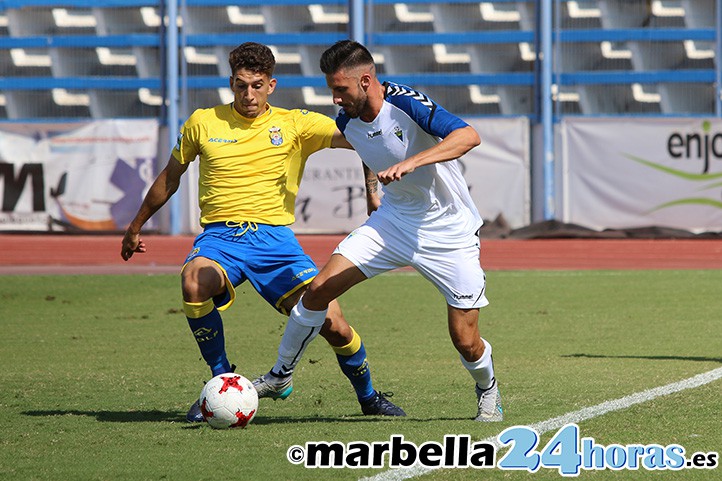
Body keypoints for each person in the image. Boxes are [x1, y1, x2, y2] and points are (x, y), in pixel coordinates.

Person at [120, 42, 404, 421]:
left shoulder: (296, 124)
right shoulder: (202, 122)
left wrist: (372, 193)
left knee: (334, 325)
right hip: (220, 239)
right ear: (231, 84)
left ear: (271, 85)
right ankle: (223, 382)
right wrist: (136, 225)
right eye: (240, 85)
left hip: (276, 243)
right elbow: (170, 179)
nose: (248, 94)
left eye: (256, 85)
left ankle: (369, 398)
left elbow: (365, 140)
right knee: (193, 282)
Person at [255, 40, 503, 422]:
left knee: (466, 341)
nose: (335, 99)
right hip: (393, 223)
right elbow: (365, 148)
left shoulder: (405, 103)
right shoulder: (346, 121)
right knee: (319, 289)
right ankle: (280, 375)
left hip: (449, 231)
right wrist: (373, 192)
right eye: (332, 90)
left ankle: (487, 389)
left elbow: (468, 136)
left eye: (341, 89)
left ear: (366, 81)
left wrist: (413, 162)